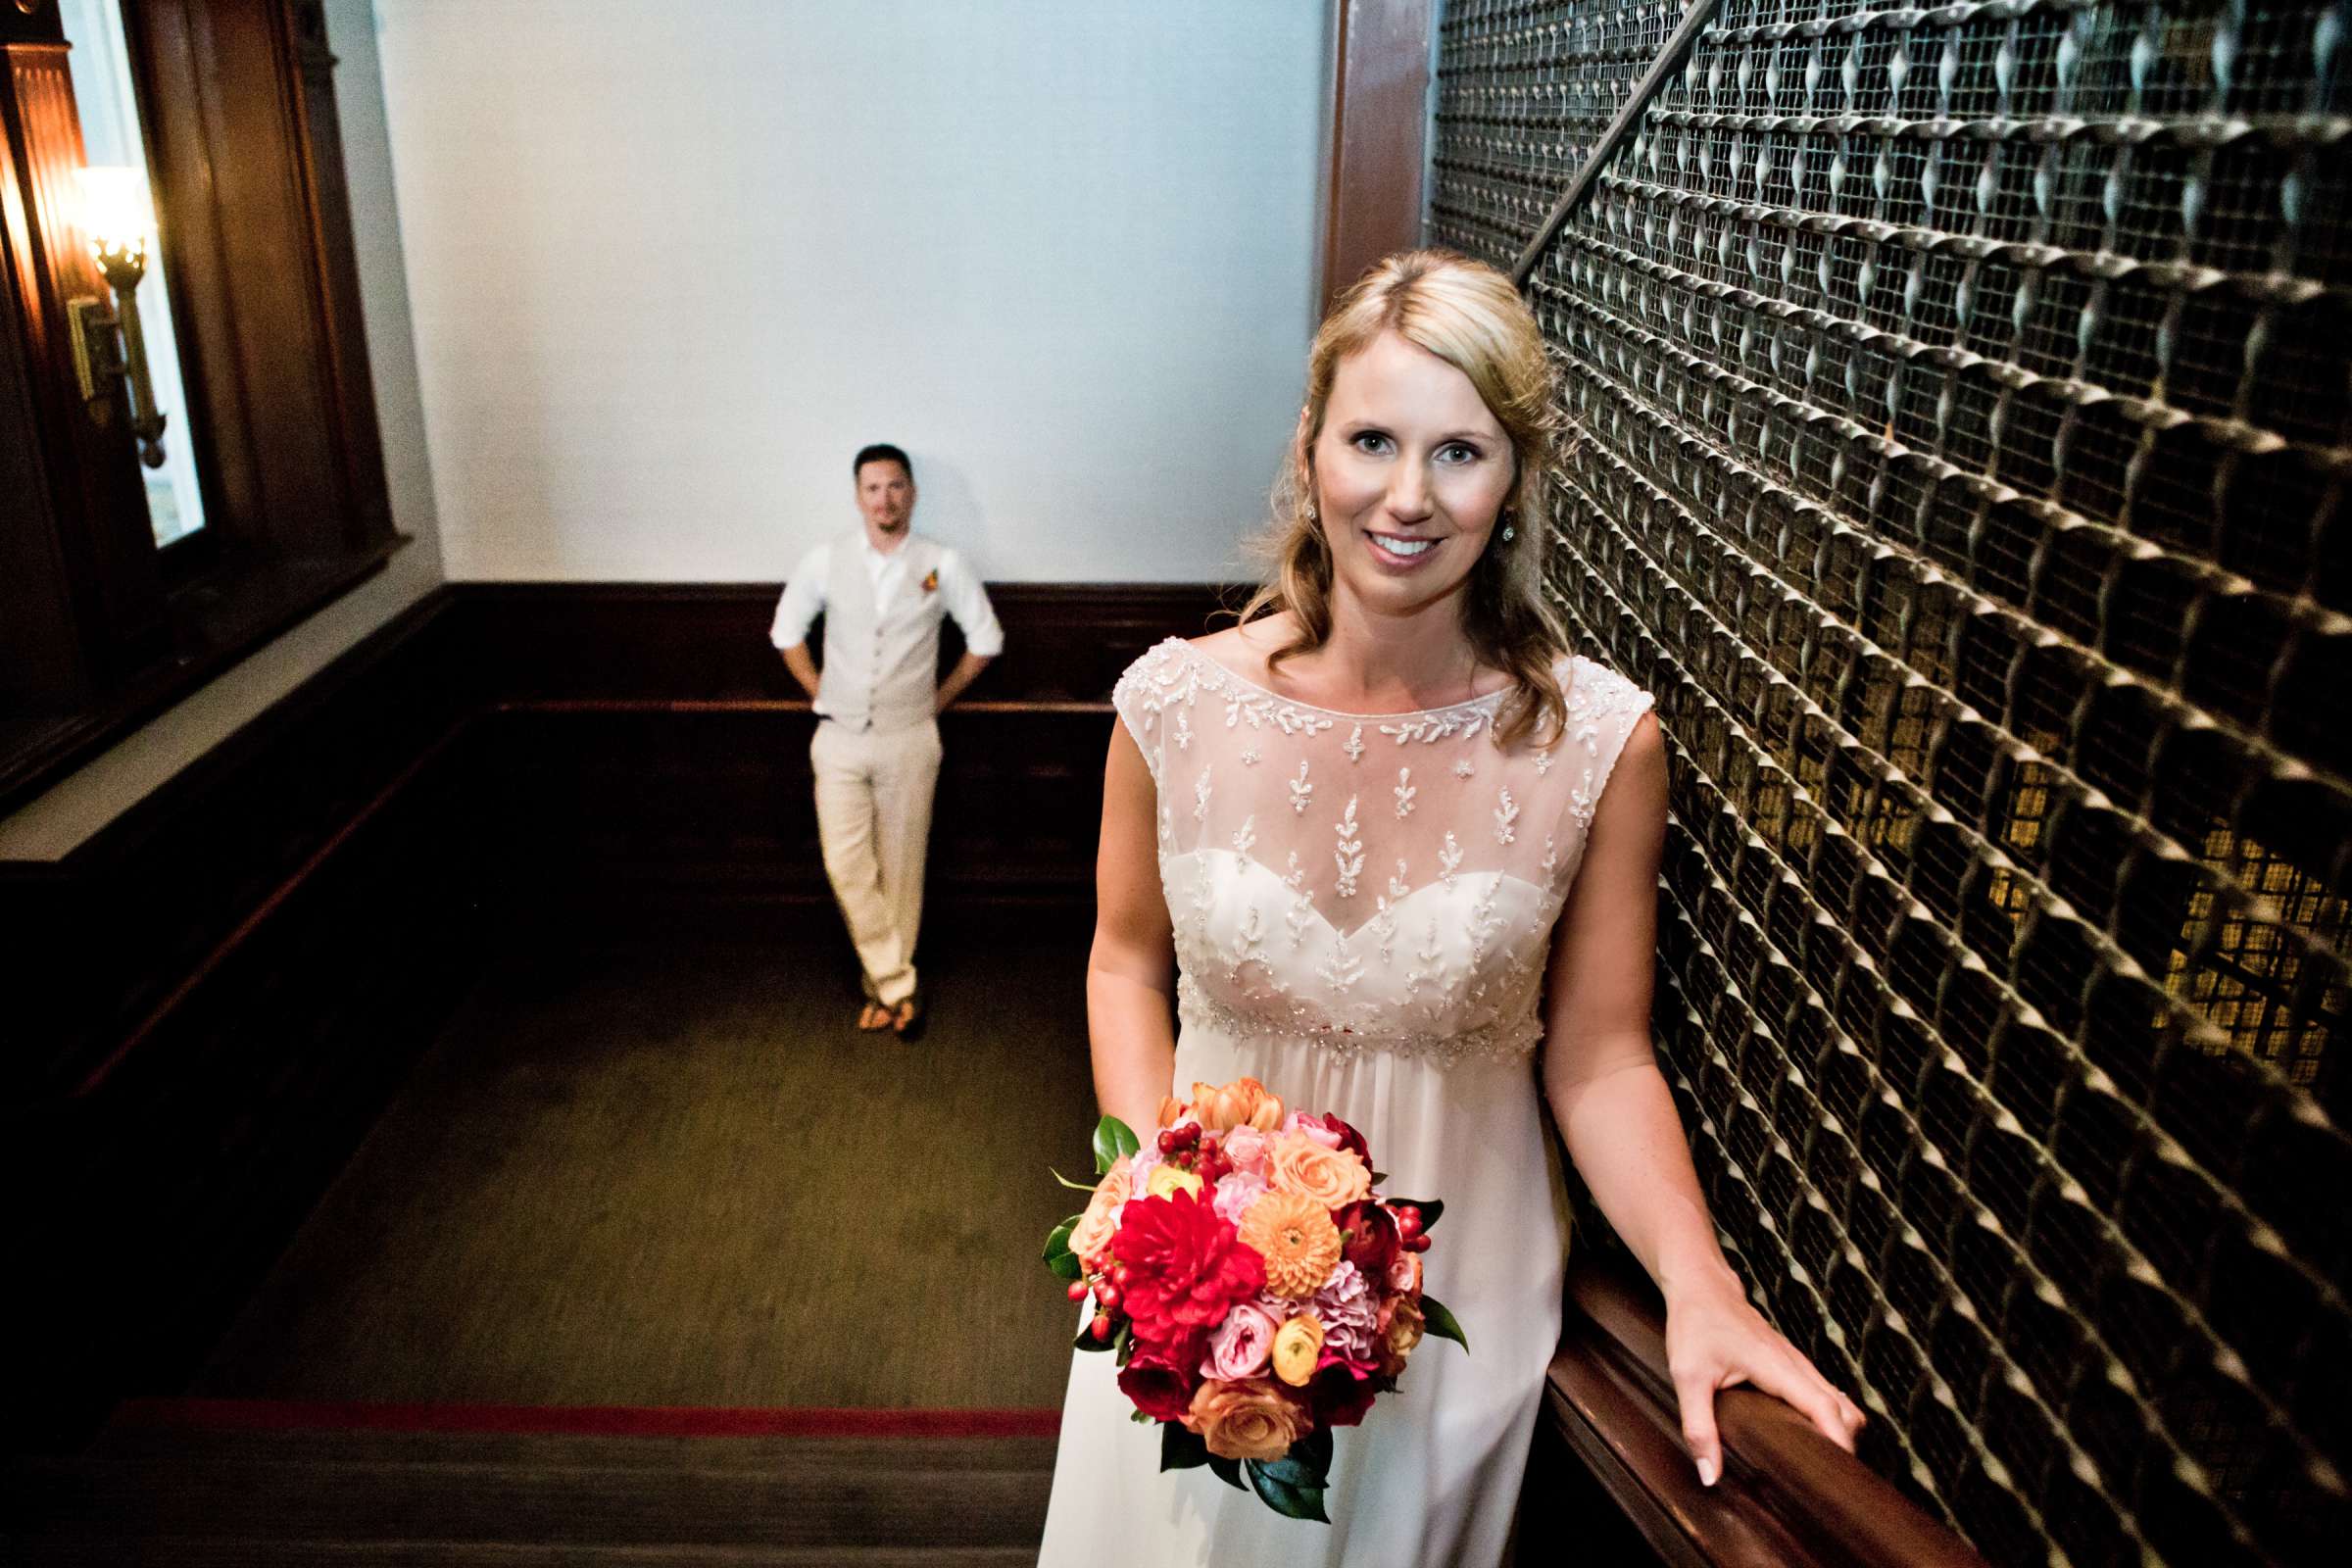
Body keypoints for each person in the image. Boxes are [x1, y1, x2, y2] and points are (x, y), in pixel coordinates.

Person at [1037, 252, 1862, 1564]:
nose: (1407, 496)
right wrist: (1153, 1211)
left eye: (1460, 453)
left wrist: (1702, 1284)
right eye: (1372, 440)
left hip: (1447, 1316)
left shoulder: (1599, 743)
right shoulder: (1172, 708)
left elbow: (1602, 1058)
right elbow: (1123, 967)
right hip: (1195, 1307)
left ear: (1517, 479)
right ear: (1312, 452)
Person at [771, 443, 1003, 1039]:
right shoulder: (827, 560)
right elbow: (786, 631)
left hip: (909, 737)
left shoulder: (940, 563)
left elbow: (986, 639)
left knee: (901, 868)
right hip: (839, 737)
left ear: (913, 493)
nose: (885, 498)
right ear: (857, 496)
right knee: (846, 862)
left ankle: (883, 990)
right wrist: (817, 691)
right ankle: (901, 982)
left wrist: (938, 700)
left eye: (896, 486)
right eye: (873, 488)